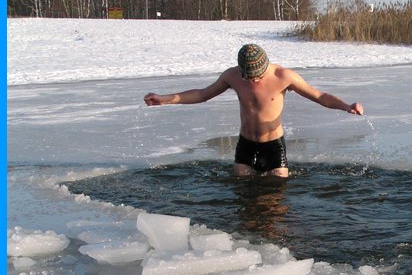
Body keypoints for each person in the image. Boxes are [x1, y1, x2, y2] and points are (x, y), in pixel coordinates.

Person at [144, 44, 364, 178]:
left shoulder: (284, 76)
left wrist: (347, 106)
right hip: (246, 143)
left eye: (258, 76)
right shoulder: (232, 76)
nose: (254, 80)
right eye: (249, 77)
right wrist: (163, 99)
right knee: (242, 187)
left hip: (273, 144)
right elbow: (202, 94)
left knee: (277, 190)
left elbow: (319, 96)